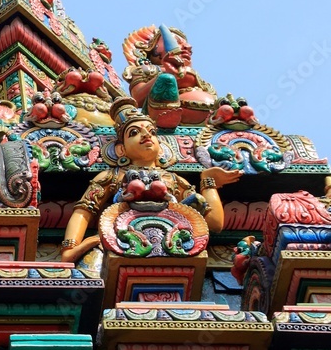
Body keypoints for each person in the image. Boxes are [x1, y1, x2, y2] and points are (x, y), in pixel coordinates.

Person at [59, 97, 241, 263]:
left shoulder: (173, 179)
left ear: (160, 147)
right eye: (134, 133)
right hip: (122, 246)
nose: (146, 135)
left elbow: (214, 223)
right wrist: (70, 248)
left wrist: (208, 182)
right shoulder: (112, 176)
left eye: (152, 132)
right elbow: (84, 211)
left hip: (176, 249)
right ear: (121, 150)